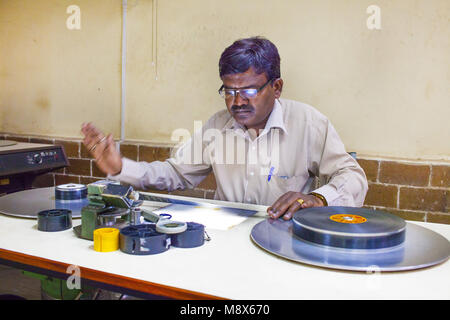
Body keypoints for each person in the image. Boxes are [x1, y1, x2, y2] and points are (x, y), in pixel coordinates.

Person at [81, 37, 368, 220]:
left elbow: (353, 176)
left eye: (250, 90)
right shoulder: (218, 126)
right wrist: (119, 168)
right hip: (225, 243)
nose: (237, 101)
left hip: (284, 239)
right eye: (228, 90)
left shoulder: (308, 123)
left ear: (276, 87)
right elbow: (174, 174)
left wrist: (318, 197)